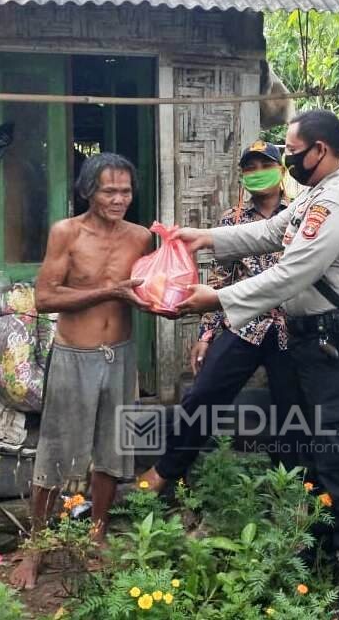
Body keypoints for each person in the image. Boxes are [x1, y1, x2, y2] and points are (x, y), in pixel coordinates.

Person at [169, 110, 339, 619]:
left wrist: (217, 301)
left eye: (293, 150)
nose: (287, 159)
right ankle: (316, 556)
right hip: (313, 345)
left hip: (337, 348)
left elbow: (292, 272)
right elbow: (270, 232)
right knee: (310, 451)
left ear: (322, 151)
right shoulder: (314, 194)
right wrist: (206, 237)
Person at [10, 153, 153, 589]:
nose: (119, 199)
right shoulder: (66, 233)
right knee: (57, 452)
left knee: (111, 451)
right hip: (75, 354)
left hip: (121, 354)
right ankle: (35, 549)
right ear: (88, 190)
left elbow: (153, 288)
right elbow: (45, 298)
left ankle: (97, 537)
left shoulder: (142, 237)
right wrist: (109, 290)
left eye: (125, 191)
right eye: (109, 190)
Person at [137, 141, 302, 490]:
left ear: (282, 170)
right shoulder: (231, 221)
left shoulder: (301, 215)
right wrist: (206, 334)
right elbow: (220, 279)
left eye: (264, 165)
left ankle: (297, 487)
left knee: (293, 408)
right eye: (250, 168)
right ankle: (167, 471)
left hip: (291, 326)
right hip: (245, 323)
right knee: (203, 396)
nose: (257, 174)